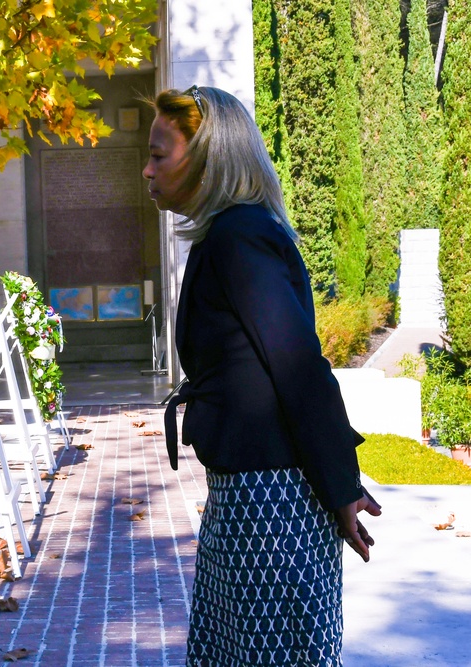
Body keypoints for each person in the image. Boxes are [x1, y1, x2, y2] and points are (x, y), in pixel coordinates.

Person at [146, 86, 383, 666]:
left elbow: (300, 370)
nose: (146, 169)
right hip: (249, 496)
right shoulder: (227, 236)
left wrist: (342, 486)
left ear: (207, 157)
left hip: (274, 503)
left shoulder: (239, 237)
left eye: (159, 154)